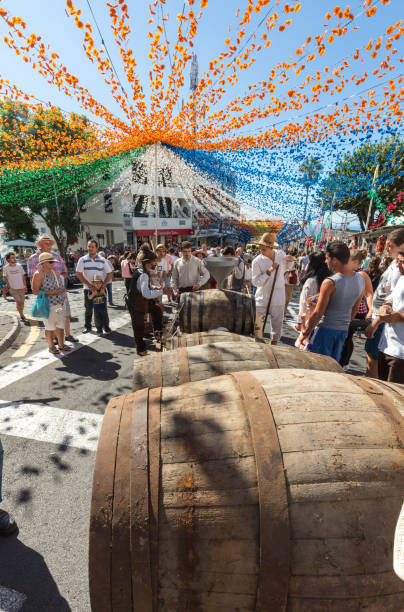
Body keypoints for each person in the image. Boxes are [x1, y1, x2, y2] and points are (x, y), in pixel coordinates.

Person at [302, 241, 365, 362]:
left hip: (325, 331)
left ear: (334, 260)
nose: (325, 261)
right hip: (342, 332)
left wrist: (305, 333)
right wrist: (344, 323)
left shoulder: (330, 282)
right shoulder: (360, 279)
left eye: (327, 258)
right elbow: (355, 308)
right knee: (332, 368)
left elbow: (318, 313)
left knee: (316, 368)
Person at [364, 227, 404, 377]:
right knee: (373, 358)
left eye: (390, 245)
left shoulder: (399, 269)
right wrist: (381, 307)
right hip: (382, 322)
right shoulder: (395, 265)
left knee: (374, 362)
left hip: (390, 331)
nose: (386, 248)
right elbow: (390, 297)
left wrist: (378, 320)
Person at [27, 233, 78, 343]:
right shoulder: (33, 258)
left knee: (65, 315)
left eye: (50, 242)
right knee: (51, 319)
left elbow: (65, 271)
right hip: (47, 295)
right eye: (46, 243)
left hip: (61, 293)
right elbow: (32, 278)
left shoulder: (56, 256)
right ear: (40, 245)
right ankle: (55, 339)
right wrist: (44, 289)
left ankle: (67, 335)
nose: (49, 244)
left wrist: (59, 280)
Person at [339, 249, 373, 369]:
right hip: (344, 309)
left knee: (346, 336)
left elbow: (369, 293)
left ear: (355, 261)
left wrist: (371, 310)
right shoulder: (344, 272)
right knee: (345, 336)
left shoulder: (361, 274)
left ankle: (344, 362)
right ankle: (343, 361)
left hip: (358, 311)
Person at [32, 252, 71, 354]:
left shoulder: (54, 272)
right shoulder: (38, 274)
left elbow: (60, 286)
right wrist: (52, 292)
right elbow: (35, 291)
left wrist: (61, 291)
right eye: (50, 262)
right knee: (50, 327)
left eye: (53, 261)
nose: (53, 263)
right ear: (43, 263)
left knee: (60, 325)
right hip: (47, 305)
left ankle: (61, 344)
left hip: (59, 303)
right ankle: (51, 346)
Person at [126, 251, 164, 356]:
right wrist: (161, 291)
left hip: (141, 302)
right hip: (135, 305)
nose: (155, 264)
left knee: (156, 310)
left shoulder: (142, 270)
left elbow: (143, 287)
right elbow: (146, 294)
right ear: (148, 263)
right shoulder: (143, 274)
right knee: (139, 327)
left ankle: (158, 333)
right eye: (154, 262)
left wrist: (153, 287)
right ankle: (141, 350)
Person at [252, 232, 286, 345]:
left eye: (264, 248)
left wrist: (290, 261)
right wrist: (269, 271)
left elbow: (288, 265)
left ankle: (273, 348)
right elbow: (256, 282)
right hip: (262, 296)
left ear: (271, 247)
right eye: (260, 248)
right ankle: (258, 342)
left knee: (277, 326)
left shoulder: (281, 255)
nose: (261, 251)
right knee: (254, 319)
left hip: (279, 295)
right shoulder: (257, 261)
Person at [76, 239, 113, 334]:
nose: (90, 248)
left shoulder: (102, 260)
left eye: (92, 247)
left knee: (102, 309)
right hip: (88, 289)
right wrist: (88, 285)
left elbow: (110, 273)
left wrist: (104, 285)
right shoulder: (82, 259)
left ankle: (105, 327)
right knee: (88, 309)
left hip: (101, 290)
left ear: (96, 248)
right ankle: (87, 326)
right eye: (89, 246)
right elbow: (79, 274)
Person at [295, 251, 330, 332]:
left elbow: (304, 301)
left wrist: (300, 321)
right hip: (326, 320)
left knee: (305, 342)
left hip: (309, 318)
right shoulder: (330, 279)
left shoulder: (311, 281)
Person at [3, 252, 27, 321]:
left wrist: (25, 285)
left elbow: (23, 276)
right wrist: (8, 285)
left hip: (21, 287)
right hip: (13, 288)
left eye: (14, 257)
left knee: (22, 302)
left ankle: (21, 312)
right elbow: (5, 277)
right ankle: (21, 315)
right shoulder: (6, 268)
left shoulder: (19, 266)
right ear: (8, 259)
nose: (14, 258)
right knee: (18, 301)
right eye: (12, 257)